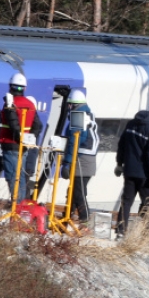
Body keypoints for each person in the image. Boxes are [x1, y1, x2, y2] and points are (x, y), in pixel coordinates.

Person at [115, 99, 149, 239]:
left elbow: (122, 145)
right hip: (145, 174)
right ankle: (145, 233)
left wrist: (119, 163)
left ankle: (121, 231)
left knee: (126, 202)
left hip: (129, 170)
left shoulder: (132, 124)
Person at [0, 73, 43, 202]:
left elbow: (13, 124)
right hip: (23, 147)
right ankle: (23, 205)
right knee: (21, 177)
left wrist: (19, 138)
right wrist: (29, 138)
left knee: (13, 176)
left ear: (10, 87)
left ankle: (17, 207)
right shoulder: (30, 104)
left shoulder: (10, 104)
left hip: (10, 144)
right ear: (24, 88)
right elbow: (38, 125)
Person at [60, 90, 99, 223]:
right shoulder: (87, 112)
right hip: (88, 158)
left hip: (83, 159)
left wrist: (67, 162)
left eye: (69, 104)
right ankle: (67, 216)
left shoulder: (78, 115)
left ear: (73, 104)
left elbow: (74, 141)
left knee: (78, 191)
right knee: (74, 189)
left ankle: (85, 218)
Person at [25, 96, 41, 198]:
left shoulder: (32, 124)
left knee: (23, 184)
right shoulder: (35, 124)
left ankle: (24, 204)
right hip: (28, 162)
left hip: (27, 162)